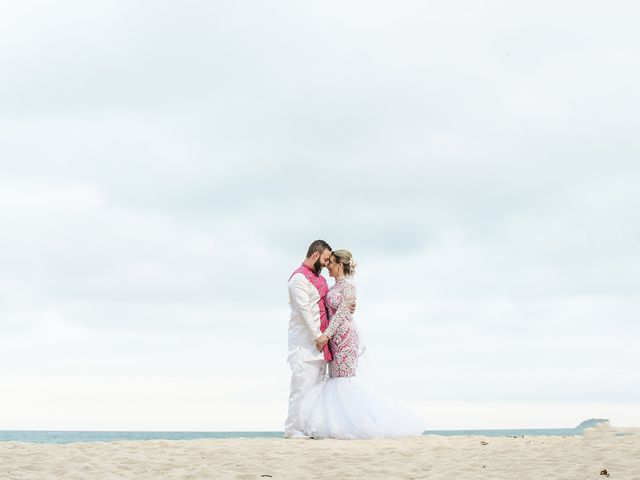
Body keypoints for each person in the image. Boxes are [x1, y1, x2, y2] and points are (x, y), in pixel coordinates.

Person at [298, 249, 425, 439]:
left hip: (346, 338)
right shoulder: (333, 288)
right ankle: (339, 424)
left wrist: (326, 335)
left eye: (331, 262)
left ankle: (357, 424)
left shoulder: (349, 286)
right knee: (335, 379)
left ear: (340, 265)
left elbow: (342, 313)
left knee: (345, 381)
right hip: (334, 338)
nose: (328, 267)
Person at [284, 240, 334, 439]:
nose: (326, 264)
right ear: (315, 255)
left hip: (321, 346)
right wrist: (318, 336)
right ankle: (293, 429)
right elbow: (305, 310)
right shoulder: (298, 279)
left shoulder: (320, 280)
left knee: (316, 391)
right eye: (324, 259)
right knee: (301, 389)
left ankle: (310, 428)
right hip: (305, 344)